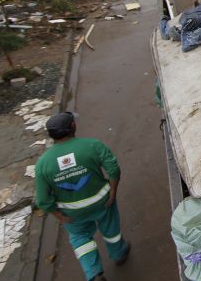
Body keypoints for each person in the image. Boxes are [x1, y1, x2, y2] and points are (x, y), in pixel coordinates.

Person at [34, 112, 130, 281]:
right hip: (102, 202)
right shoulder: (92, 145)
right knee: (111, 229)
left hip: (71, 213)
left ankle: (94, 274)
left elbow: (42, 199)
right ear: (73, 126)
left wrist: (58, 215)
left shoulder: (43, 163)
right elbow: (113, 169)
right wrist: (113, 191)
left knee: (80, 239)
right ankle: (119, 254)